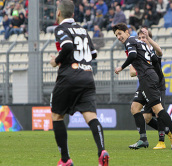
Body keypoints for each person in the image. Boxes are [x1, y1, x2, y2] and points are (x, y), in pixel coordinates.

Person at [49, 1, 109, 165]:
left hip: (69, 76)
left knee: (57, 116)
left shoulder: (61, 29)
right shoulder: (82, 29)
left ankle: (65, 160)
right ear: (73, 14)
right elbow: (93, 54)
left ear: (59, 13)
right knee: (91, 116)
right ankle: (102, 150)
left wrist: (57, 61)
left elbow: (67, 46)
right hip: (87, 76)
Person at [113, 23, 172, 150]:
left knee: (157, 109)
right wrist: (157, 77)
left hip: (147, 78)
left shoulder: (130, 41)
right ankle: (143, 139)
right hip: (148, 77)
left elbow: (133, 55)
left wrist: (121, 67)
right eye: (116, 35)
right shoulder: (141, 42)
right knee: (135, 108)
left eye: (120, 33)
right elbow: (154, 59)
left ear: (127, 32)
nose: (118, 37)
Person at [129, 28, 172, 149]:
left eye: (144, 37)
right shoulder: (138, 54)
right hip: (145, 85)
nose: (142, 40)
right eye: (140, 38)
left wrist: (148, 39)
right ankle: (168, 131)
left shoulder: (152, 50)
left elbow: (160, 52)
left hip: (158, 85)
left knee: (158, 112)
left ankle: (161, 141)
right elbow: (131, 72)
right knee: (147, 118)